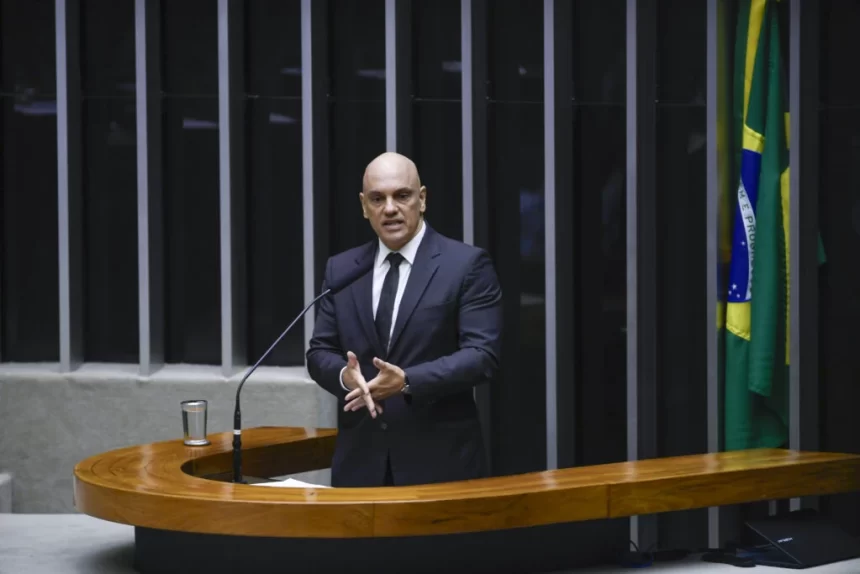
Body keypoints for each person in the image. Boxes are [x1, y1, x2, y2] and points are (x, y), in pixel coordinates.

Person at [306, 152, 503, 487]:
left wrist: (408, 381)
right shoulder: (342, 269)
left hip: (439, 465)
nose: (390, 208)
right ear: (364, 206)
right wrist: (345, 376)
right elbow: (319, 352)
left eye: (402, 195)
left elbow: (482, 356)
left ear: (422, 199)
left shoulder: (466, 265)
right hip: (361, 466)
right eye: (377, 199)